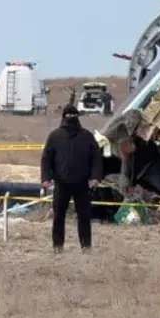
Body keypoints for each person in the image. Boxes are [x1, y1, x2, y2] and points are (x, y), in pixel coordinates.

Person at [40, 105, 103, 253]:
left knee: (84, 217)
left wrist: (95, 177)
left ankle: (86, 246)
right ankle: (58, 247)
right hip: (61, 183)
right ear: (64, 117)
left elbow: (96, 158)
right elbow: (46, 159)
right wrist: (46, 178)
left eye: (74, 116)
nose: (71, 119)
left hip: (82, 184)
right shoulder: (55, 136)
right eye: (69, 116)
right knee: (58, 216)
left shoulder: (87, 136)